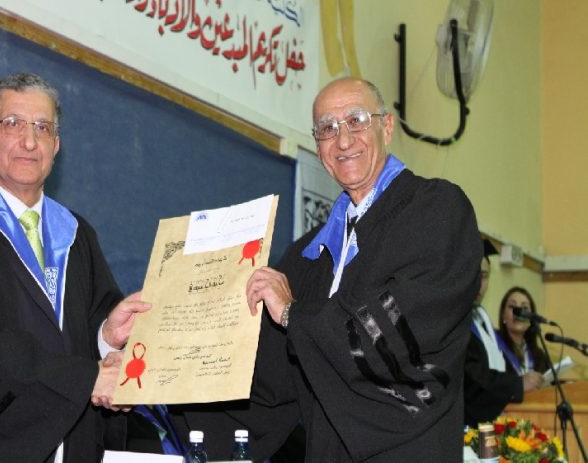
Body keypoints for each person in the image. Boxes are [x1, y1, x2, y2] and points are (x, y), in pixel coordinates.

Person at [173, 77, 483, 462]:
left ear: (387, 127)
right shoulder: (309, 255)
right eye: (327, 129)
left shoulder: (436, 210)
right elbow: (267, 381)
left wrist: (295, 315)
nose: (344, 140)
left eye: (356, 120)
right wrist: (169, 371)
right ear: (318, 147)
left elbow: (402, 330)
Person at [0, 72, 151, 463]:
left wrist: (105, 337)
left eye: (43, 128)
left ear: (56, 145)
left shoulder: (77, 236)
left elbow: (88, 341)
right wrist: (86, 379)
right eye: (13, 124)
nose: (30, 141)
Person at [463, 241, 543, 427]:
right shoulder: (455, 322)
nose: (479, 284)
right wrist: (517, 384)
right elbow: (471, 375)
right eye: (474, 274)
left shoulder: (481, 320)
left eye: (484, 276)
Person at [497, 287, 549, 375]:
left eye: (524, 308)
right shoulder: (494, 346)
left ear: (531, 319)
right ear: (503, 315)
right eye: (512, 306)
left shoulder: (539, 355)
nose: (519, 312)